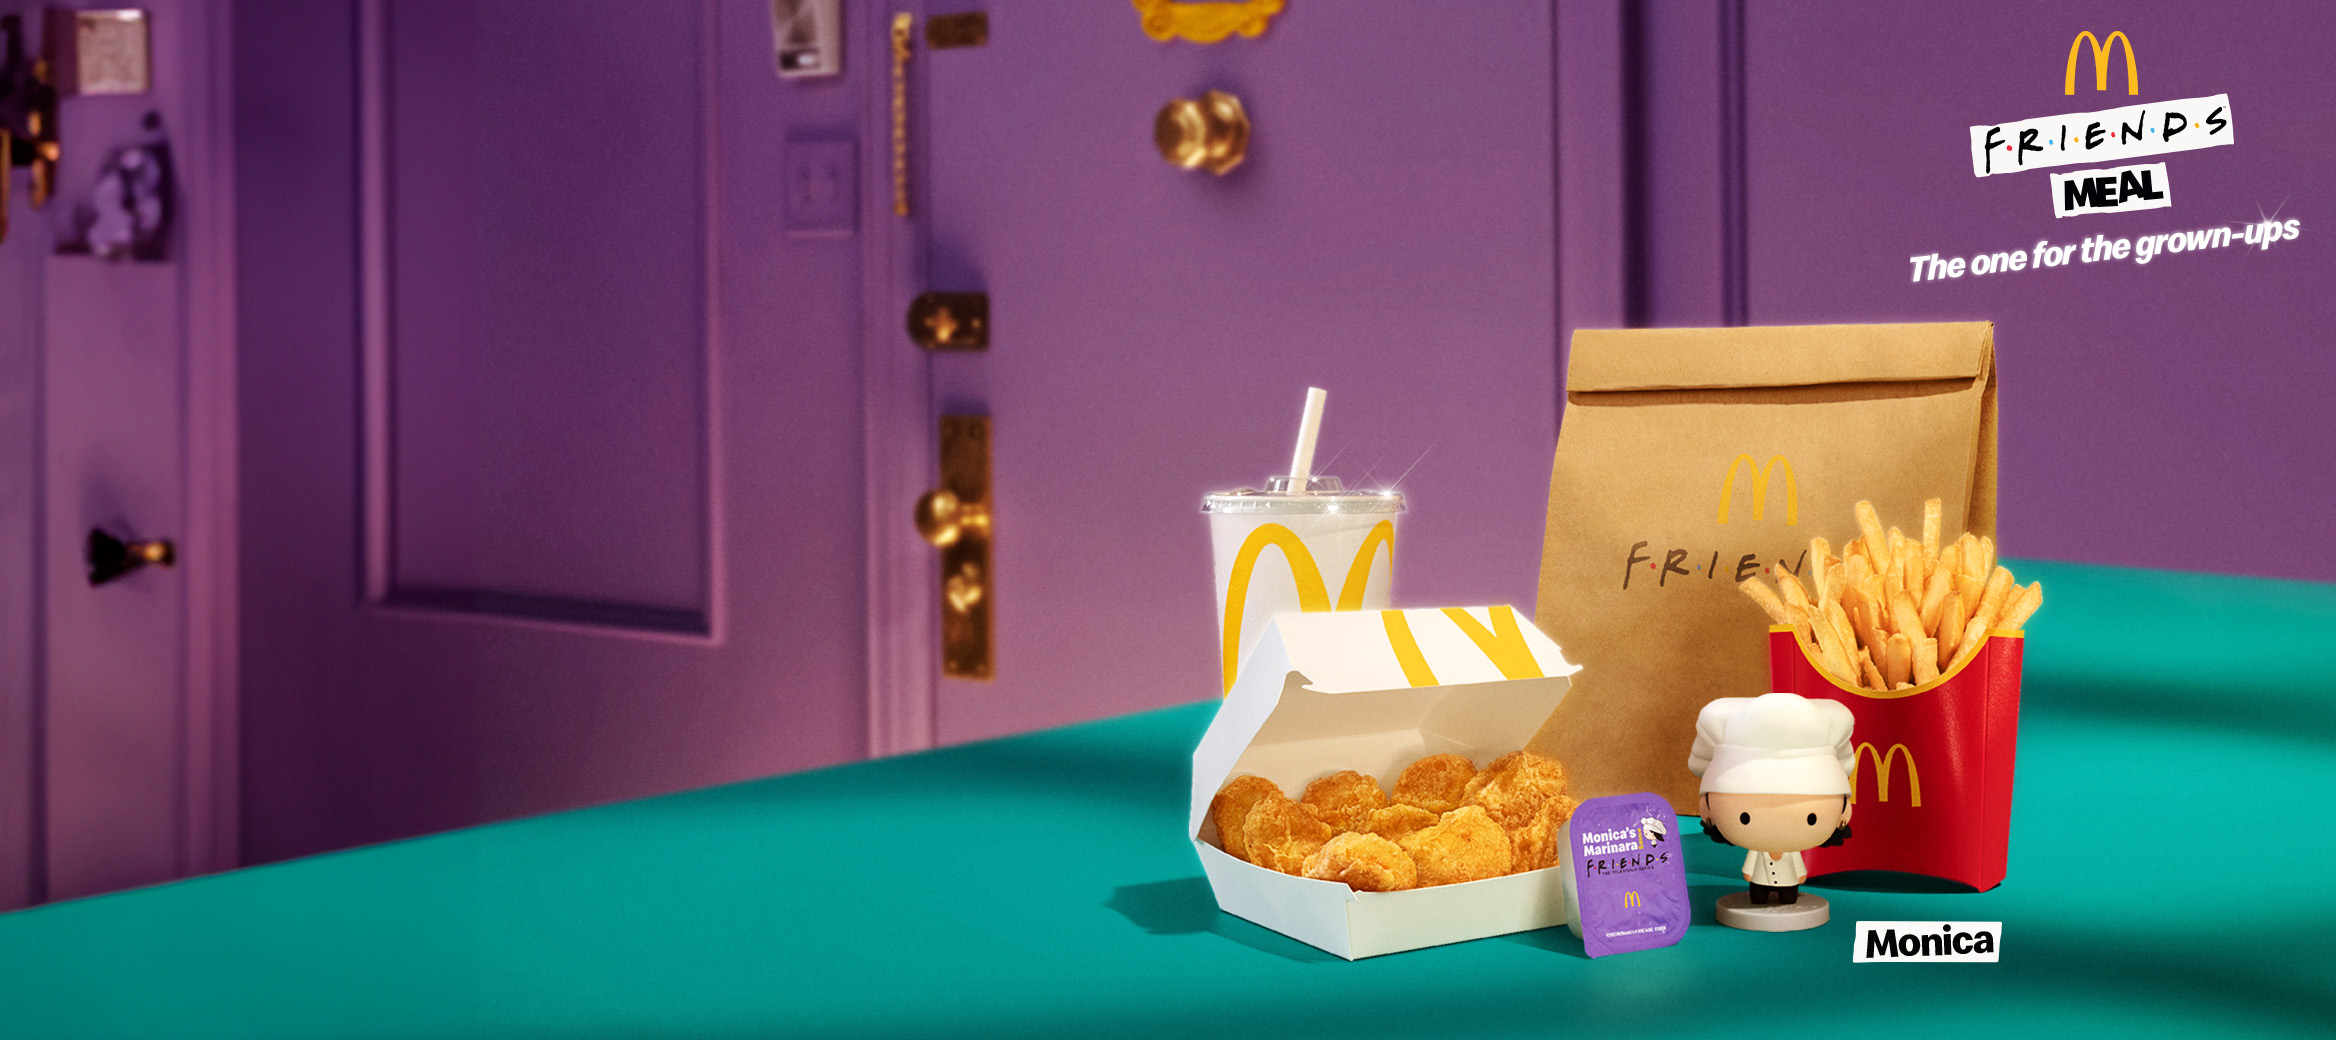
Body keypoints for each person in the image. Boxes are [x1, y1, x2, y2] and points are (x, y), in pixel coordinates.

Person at [1687, 693, 1854, 916]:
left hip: (1786, 881)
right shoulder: (1759, 850)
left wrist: (1799, 874)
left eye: (1810, 817)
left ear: (1844, 812)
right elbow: (1750, 868)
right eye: (1744, 817)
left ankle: (1785, 897)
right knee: (1759, 892)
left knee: (1787, 894)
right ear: (1706, 808)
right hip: (1760, 881)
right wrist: (1750, 873)